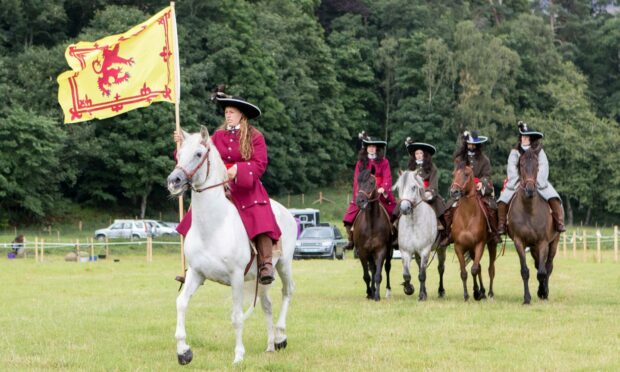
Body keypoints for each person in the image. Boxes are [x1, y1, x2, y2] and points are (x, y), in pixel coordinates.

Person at [174, 88, 281, 285]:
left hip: (247, 188)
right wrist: (182, 146)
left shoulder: (255, 136)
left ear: (242, 114)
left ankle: (265, 263)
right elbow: (199, 157)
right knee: (192, 217)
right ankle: (196, 265)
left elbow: (260, 164)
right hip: (220, 188)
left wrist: (237, 170)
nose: (228, 115)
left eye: (231, 112)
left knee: (260, 215)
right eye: (226, 112)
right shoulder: (218, 135)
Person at [497, 121, 565, 234]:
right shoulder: (515, 152)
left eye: (526, 136)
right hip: (518, 182)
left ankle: (559, 222)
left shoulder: (539, 151)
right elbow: (511, 167)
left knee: (554, 197)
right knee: (502, 201)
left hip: (537, 181)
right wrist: (517, 181)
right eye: (523, 136)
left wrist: (537, 181)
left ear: (531, 138)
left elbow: (544, 166)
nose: (524, 138)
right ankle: (502, 225)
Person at [440, 131, 499, 247]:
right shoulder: (459, 159)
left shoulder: (484, 160)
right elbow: (456, 174)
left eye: (473, 144)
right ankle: (448, 234)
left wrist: (482, 183)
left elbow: (487, 175)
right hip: (462, 189)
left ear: (477, 145)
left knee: (492, 208)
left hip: (478, 190)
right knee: (447, 209)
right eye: (468, 144)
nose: (470, 146)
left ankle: (494, 233)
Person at [342, 132, 397, 250]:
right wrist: (359, 193)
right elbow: (357, 179)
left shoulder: (384, 162)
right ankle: (351, 238)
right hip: (364, 193)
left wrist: (383, 188)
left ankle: (394, 237)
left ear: (376, 148)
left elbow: (387, 177)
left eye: (373, 146)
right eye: (369, 146)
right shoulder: (360, 163)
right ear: (366, 148)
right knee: (348, 217)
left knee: (395, 213)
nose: (371, 149)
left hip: (380, 193)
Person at [405, 138, 446, 224]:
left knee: (440, 207)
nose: (419, 155)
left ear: (425, 154)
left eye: (421, 153)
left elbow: (434, 184)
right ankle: (395, 225)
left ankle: (443, 227)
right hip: (413, 193)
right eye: (417, 153)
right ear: (414, 155)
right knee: (401, 206)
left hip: (427, 193)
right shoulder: (410, 168)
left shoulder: (432, 167)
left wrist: (429, 192)